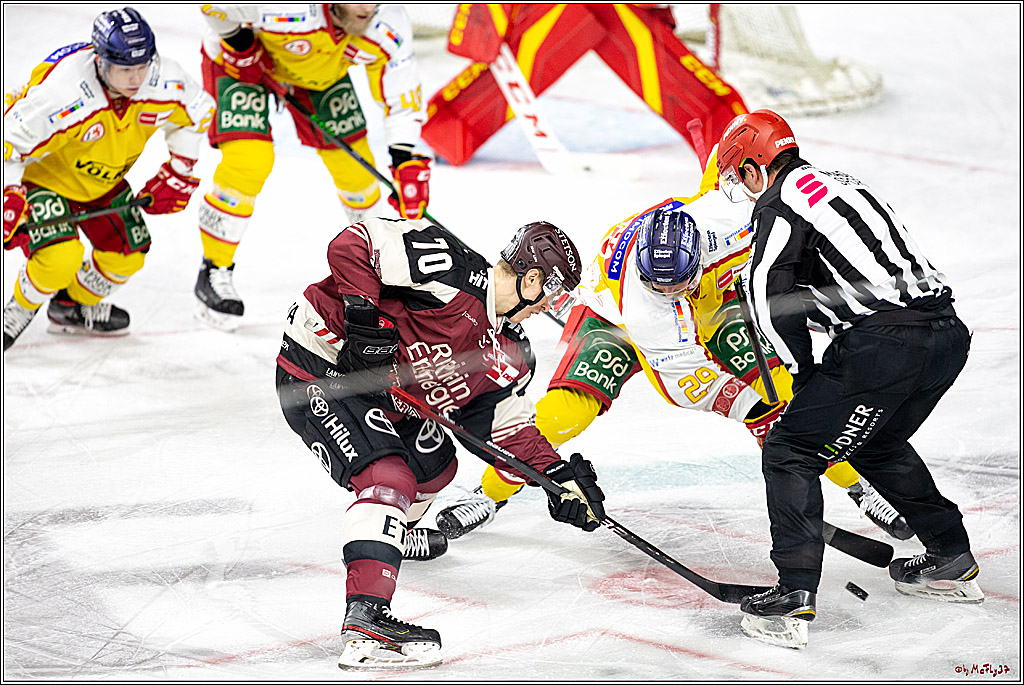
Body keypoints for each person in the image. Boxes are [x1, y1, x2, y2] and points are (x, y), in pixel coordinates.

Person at [433, 149, 913, 547]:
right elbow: (683, 383)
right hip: (616, 324)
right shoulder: (642, 304)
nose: (665, 291)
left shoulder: (725, 220)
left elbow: (730, 162)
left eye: (675, 283)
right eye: (657, 285)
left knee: (788, 392)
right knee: (562, 415)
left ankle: (858, 482)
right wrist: (750, 407)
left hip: (714, 309)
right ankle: (491, 492)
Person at [275, 217, 606, 669]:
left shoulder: (507, 348)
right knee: (388, 475)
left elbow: (502, 428)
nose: (547, 309)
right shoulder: (448, 268)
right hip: (319, 364)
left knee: (436, 467)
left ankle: (386, 539)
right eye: (551, 297)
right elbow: (352, 244)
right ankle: (367, 615)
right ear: (531, 281)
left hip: (388, 393)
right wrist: (362, 316)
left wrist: (556, 476)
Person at [716, 109, 981, 649]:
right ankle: (950, 554)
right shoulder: (840, 183)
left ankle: (793, 595)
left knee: (790, 449)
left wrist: (804, 373)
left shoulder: (780, 202)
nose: (744, 191)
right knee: (877, 441)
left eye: (740, 176)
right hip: (947, 335)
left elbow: (769, 300)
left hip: (887, 344)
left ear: (754, 166)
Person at [193, 4, 432, 331]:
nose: (368, 8)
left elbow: (401, 91)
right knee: (249, 161)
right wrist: (239, 41)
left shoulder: (386, 21)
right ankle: (213, 270)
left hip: (321, 74)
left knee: (357, 173)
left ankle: (374, 271)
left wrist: (405, 159)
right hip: (244, 66)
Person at [3, 7, 215, 351]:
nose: (136, 78)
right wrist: (8, 195)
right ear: (101, 62)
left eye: (142, 66)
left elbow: (198, 111)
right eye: (126, 69)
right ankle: (18, 309)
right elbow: (7, 142)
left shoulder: (162, 79)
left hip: (104, 181)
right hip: (45, 181)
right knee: (60, 258)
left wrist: (180, 169)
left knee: (127, 253)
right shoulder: (65, 93)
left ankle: (70, 307)